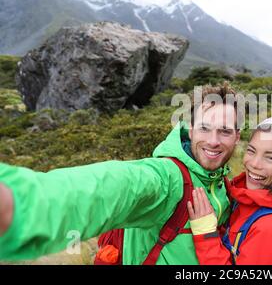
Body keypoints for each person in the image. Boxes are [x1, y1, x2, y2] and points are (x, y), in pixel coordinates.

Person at [0, 84, 241, 264]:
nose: (213, 141)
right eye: (204, 128)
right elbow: (113, 185)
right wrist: (21, 203)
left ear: (238, 136)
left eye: (225, 131)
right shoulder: (167, 177)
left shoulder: (223, 184)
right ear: (189, 128)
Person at [187, 117, 272, 265]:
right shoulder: (244, 195)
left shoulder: (271, 229)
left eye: (270, 158)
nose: (254, 164)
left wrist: (206, 235)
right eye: (251, 151)